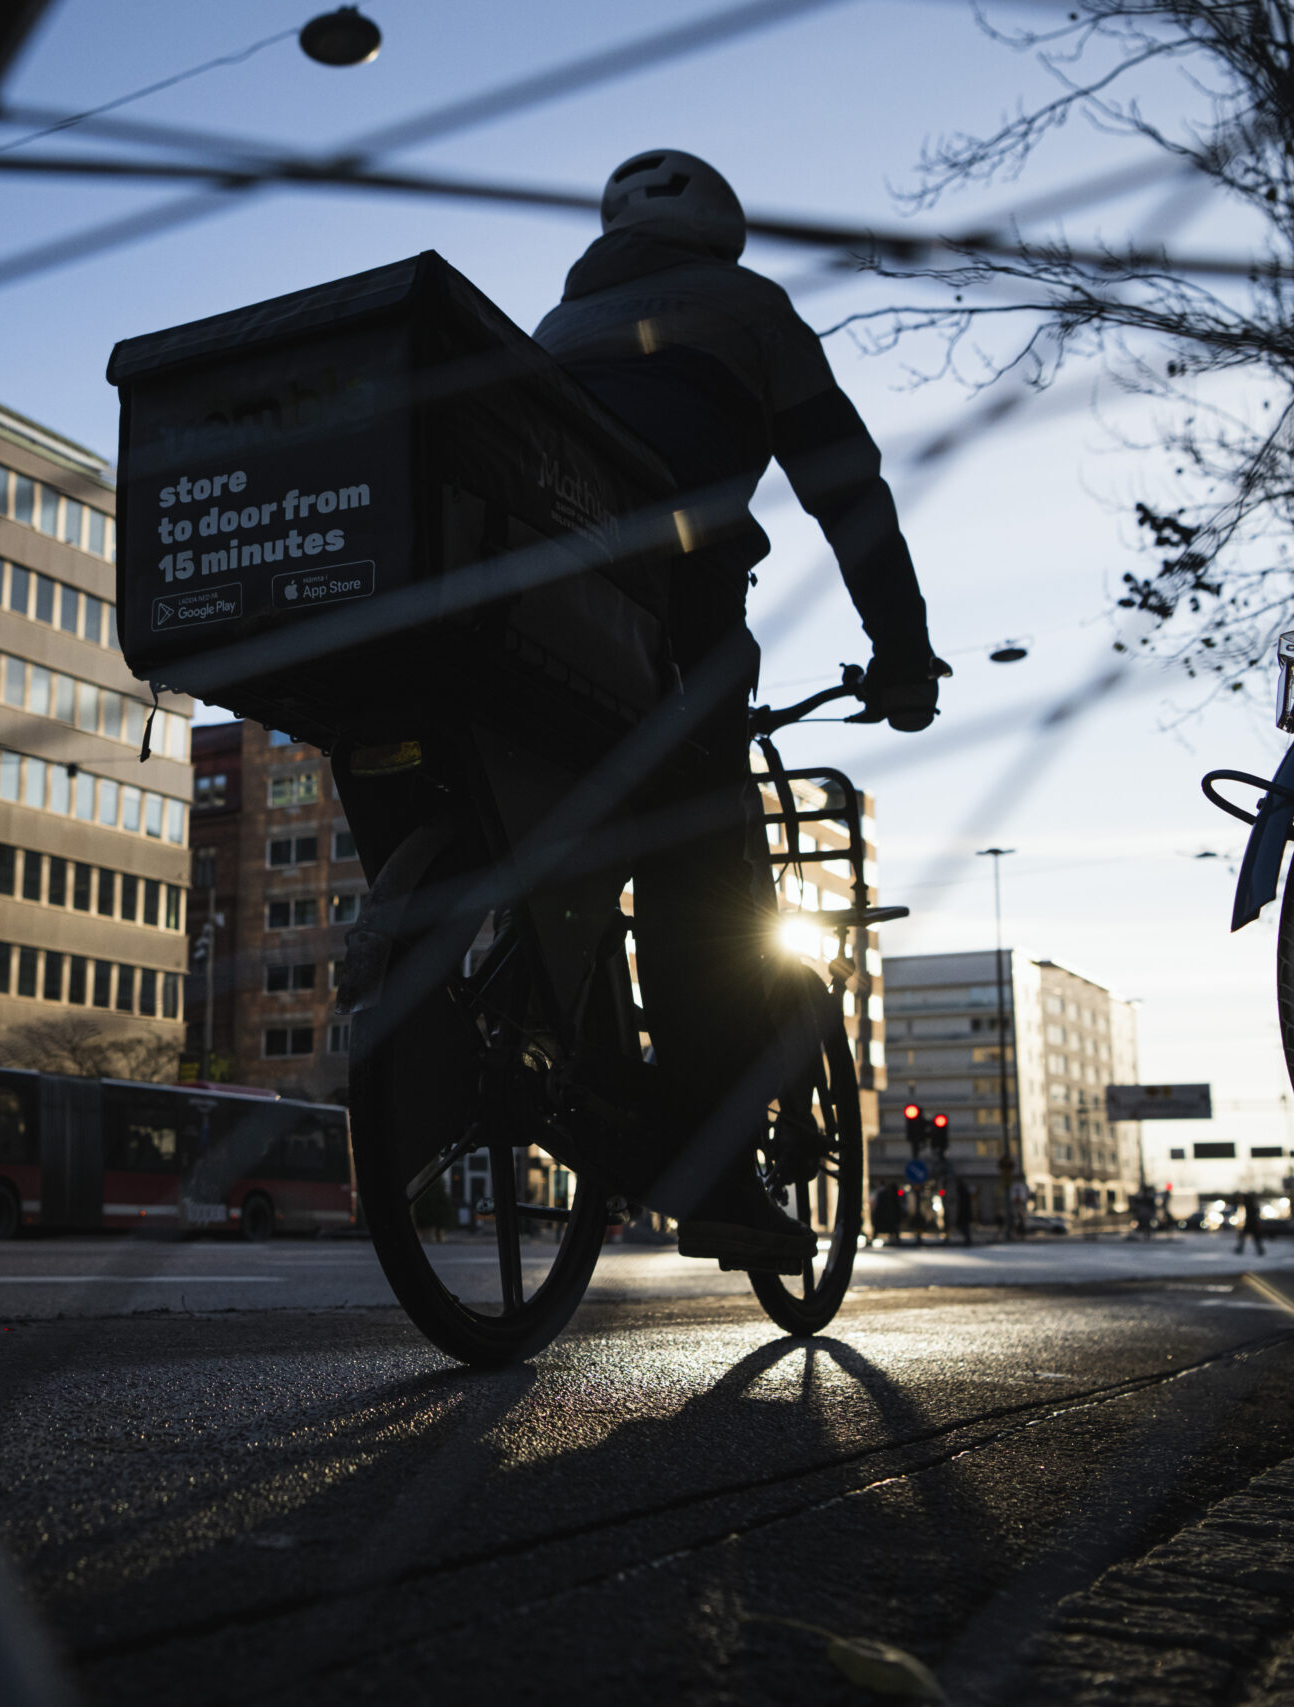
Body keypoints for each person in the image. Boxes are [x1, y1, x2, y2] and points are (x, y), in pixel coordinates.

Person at [535, 150, 945, 1274]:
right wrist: (900, 656)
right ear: (720, 230)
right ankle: (711, 1177)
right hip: (675, 616)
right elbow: (845, 490)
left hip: (528, 627)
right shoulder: (752, 309)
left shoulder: (549, 335)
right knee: (706, 876)